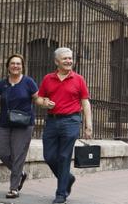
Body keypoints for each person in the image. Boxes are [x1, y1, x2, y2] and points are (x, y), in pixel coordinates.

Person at [0, 53, 51, 199]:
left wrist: (45, 103)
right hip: (5, 124)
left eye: (18, 63)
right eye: (13, 63)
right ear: (8, 67)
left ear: (22, 66)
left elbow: (37, 99)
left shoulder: (28, 82)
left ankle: (13, 188)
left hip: (23, 125)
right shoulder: (2, 84)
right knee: (2, 152)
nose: (15, 66)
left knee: (18, 156)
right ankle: (21, 173)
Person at [38, 47, 93, 204]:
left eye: (70, 58)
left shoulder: (79, 79)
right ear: (57, 62)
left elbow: (85, 102)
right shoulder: (48, 78)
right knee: (49, 156)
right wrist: (44, 103)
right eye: (65, 59)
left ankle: (61, 193)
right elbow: (39, 99)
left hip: (71, 121)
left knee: (63, 157)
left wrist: (88, 125)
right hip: (52, 121)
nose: (69, 61)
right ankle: (67, 178)